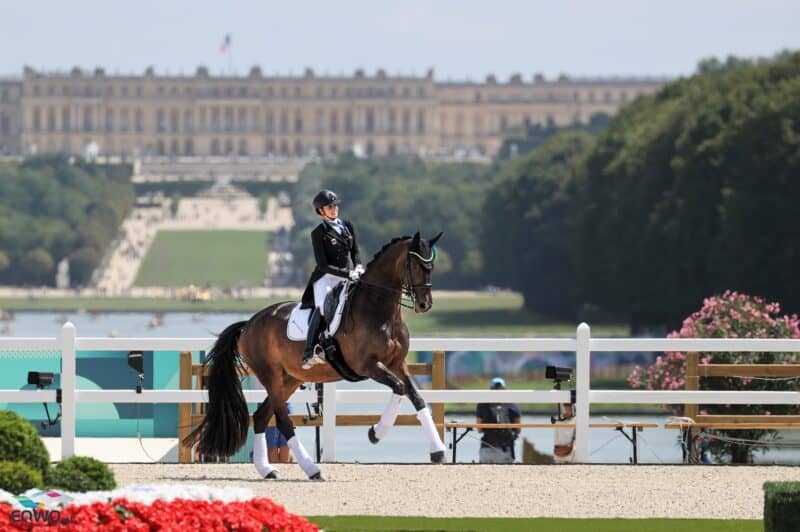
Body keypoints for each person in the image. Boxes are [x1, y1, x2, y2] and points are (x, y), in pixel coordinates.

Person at [300, 189, 363, 369]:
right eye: (330, 206)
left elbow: (355, 251)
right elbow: (323, 265)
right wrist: (348, 274)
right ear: (321, 211)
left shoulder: (348, 226)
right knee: (322, 307)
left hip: (347, 276)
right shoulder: (318, 233)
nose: (334, 208)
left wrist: (358, 266)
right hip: (325, 279)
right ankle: (309, 351)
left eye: (335, 205)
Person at [475, 377, 521, 463]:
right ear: (505, 389)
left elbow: (479, 429)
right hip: (506, 449)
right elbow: (518, 429)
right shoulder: (513, 404)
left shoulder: (482, 404)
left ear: (491, 389)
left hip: (487, 448)